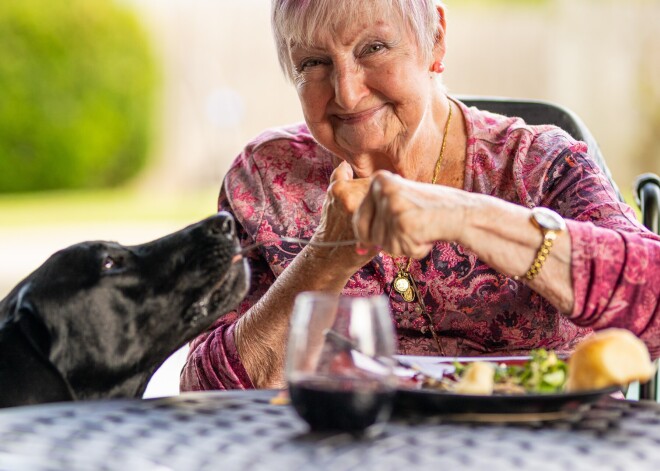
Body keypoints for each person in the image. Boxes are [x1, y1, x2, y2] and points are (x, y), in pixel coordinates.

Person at [180, 0, 660, 391]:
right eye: (314, 62)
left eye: (373, 48)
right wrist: (324, 258)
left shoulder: (538, 165)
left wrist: (466, 216)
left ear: (435, 40)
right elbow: (204, 394)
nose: (346, 93)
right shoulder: (267, 178)